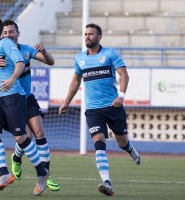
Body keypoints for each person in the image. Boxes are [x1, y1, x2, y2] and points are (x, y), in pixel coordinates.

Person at [58, 23, 141, 196]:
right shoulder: (80, 58)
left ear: (99, 37)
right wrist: (66, 101)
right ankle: (107, 182)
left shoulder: (110, 54)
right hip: (93, 109)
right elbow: (75, 81)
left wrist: (121, 96)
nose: (87, 37)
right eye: (85, 34)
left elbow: (124, 74)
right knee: (98, 143)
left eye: (91, 34)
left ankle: (130, 150)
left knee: (122, 142)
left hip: (113, 106)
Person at [0, 15, 48, 196]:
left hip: (12, 96)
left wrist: (11, 80)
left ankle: (42, 173)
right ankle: (4, 174)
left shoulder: (6, 44)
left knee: (21, 137)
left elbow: (19, 63)